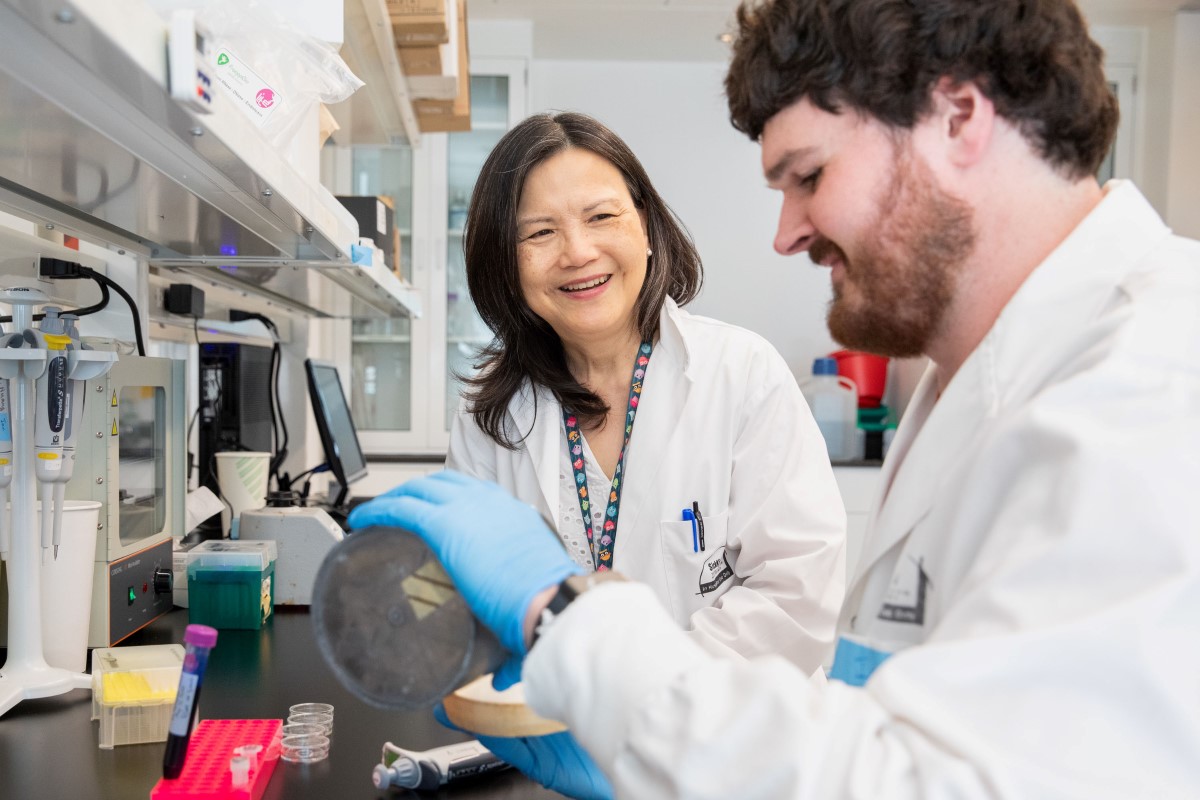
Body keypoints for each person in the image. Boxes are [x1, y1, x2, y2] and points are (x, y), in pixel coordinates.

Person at [350, 0, 1200, 797]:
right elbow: (895, 723)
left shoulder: (1150, 389)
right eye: (538, 232)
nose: (785, 232)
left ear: (960, 119)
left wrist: (569, 623)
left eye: (810, 174)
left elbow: (930, 778)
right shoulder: (980, 376)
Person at [446, 111, 847, 671]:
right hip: (552, 730)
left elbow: (797, 599)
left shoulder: (741, 374)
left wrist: (642, 688)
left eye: (601, 216)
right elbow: (478, 604)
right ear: (506, 264)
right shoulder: (490, 417)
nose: (578, 252)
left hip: (726, 738)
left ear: (647, 229)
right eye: (539, 232)